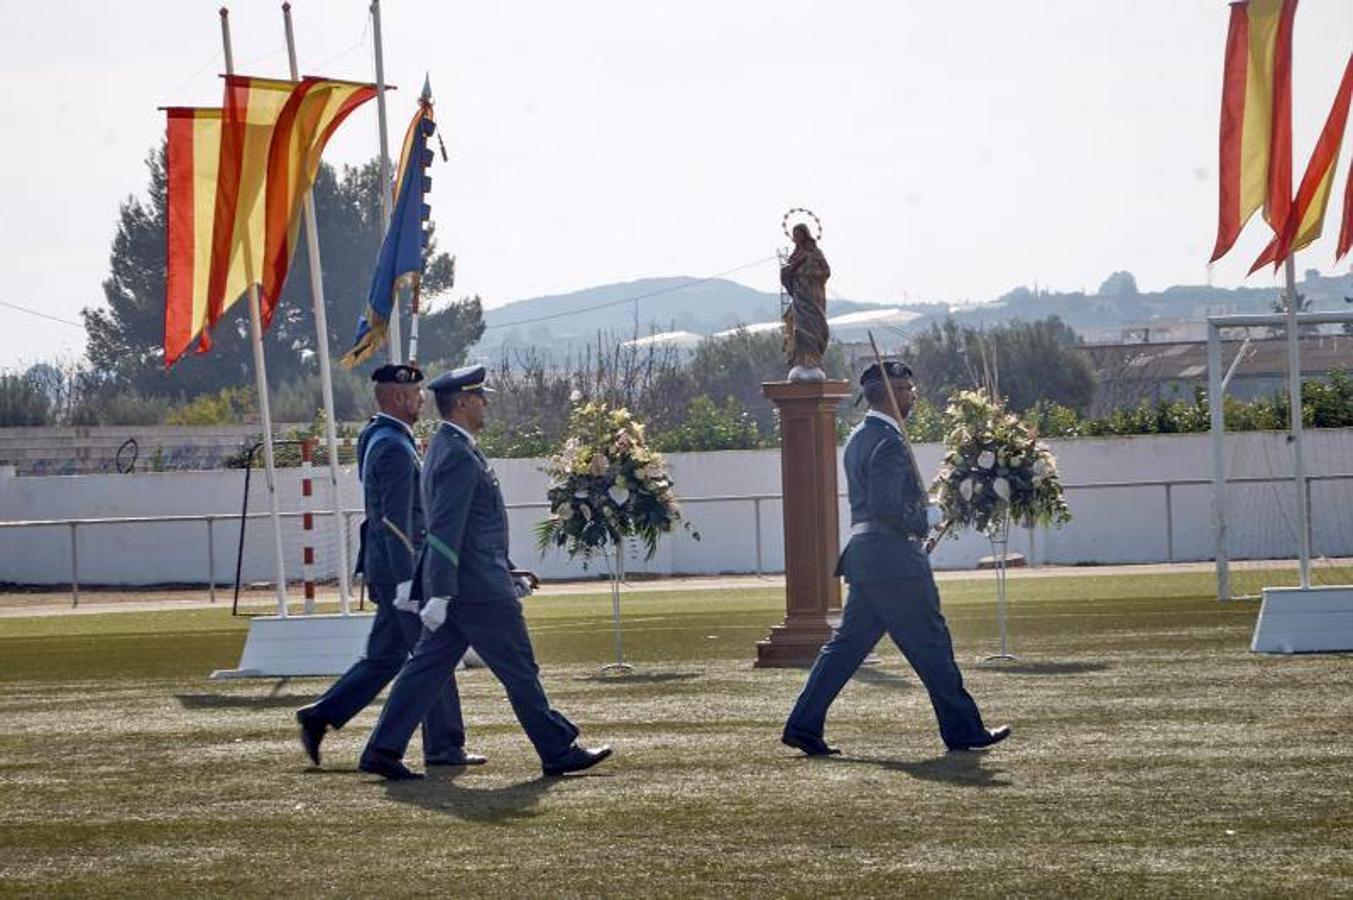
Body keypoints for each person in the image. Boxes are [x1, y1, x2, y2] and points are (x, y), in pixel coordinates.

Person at [359, 364, 613, 781]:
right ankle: (556, 749)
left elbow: (474, 527)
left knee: (426, 669)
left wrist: (506, 569)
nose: (486, 403)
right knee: (519, 667)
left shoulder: (449, 446)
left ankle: (382, 749)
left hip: (470, 582)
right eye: (480, 397)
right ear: (461, 403)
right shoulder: (456, 453)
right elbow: (446, 527)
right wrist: (438, 591)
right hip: (476, 590)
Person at [782, 360, 1011, 755]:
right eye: (906, 389)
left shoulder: (859, 437)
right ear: (889, 395)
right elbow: (886, 505)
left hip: (868, 559)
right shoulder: (889, 441)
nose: (913, 395)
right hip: (895, 562)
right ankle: (964, 730)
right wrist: (925, 517)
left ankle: (803, 725)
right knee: (932, 646)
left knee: (845, 650)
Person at [295, 363, 482, 769]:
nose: (420, 401)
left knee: (385, 656)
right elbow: (397, 523)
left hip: (386, 566)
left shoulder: (377, 436)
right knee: (434, 654)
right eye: (415, 394)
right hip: (402, 570)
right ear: (398, 398)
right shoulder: (395, 447)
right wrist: (407, 583)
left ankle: (320, 715)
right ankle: (444, 746)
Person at [779, 222, 831, 379]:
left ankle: (813, 359)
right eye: (794, 235)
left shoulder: (815, 253)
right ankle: (802, 360)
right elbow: (786, 274)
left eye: (798, 234)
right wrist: (792, 269)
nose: (795, 238)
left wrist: (808, 272)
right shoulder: (795, 255)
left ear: (804, 234)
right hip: (800, 298)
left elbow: (826, 271)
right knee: (799, 329)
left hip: (813, 297)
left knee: (815, 326)